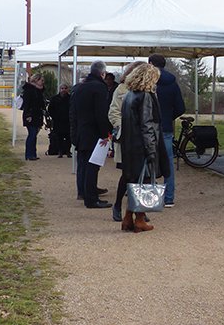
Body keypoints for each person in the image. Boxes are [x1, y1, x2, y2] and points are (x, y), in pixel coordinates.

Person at [119, 63, 169, 233]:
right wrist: (151, 150)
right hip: (142, 145)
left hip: (130, 145)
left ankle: (127, 217)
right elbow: (147, 125)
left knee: (134, 182)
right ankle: (139, 219)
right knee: (144, 183)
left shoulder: (129, 95)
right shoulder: (146, 96)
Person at [69, 60, 112, 209]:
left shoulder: (80, 88)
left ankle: (85, 191)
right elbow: (101, 113)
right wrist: (105, 133)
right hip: (93, 133)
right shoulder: (100, 88)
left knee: (84, 164)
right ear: (102, 73)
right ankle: (91, 199)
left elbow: (73, 112)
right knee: (92, 166)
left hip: (81, 131)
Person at [108, 61, 146, 223]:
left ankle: (138, 209)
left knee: (143, 175)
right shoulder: (121, 89)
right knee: (127, 175)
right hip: (126, 138)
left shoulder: (147, 91)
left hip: (142, 138)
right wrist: (122, 127)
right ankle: (117, 205)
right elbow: (113, 112)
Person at [148, 54, 185, 206]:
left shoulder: (148, 82)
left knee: (148, 161)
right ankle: (169, 198)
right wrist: (169, 117)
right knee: (168, 162)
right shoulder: (172, 83)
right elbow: (181, 107)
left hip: (149, 127)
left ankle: (149, 197)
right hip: (166, 127)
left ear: (151, 64)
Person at [21, 73, 46, 161]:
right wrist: (28, 115)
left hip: (37, 115)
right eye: (41, 80)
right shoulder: (29, 90)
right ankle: (29, 154)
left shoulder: (38, 91)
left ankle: (32, 153)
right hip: (31, 115)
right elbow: (27, 104)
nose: (43, 82)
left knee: (34, 134)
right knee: (32, 134)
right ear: (36, 80)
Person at [47, 83, 72, 157]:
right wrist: (54, 117)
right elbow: (50, 109)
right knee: (59, 137)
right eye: (62, 88)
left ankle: (67, 151)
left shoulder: (70, 98)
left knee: (68, 137)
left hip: (68, 121)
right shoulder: (55, 98)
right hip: (58, 121)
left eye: (65, 88)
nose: (63, 90)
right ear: (59, 89)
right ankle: (60, 151)